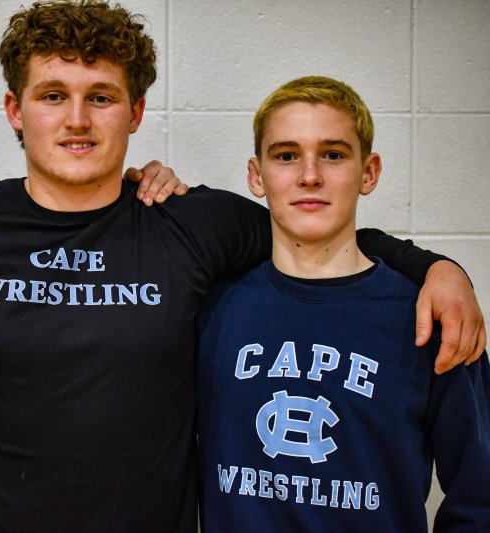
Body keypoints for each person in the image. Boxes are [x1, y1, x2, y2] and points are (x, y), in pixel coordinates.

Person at [0, 2, 484, 531]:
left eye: (101, 96)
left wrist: (436, 267)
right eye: (52, 95)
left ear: (135, 112)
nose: (76, 119)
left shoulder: (191, 222)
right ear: (14, 110)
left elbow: (311, 224)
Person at [197, 76, 490, 532]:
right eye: (286, 155)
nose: (309, 175)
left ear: (368, 173)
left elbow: (480, 495)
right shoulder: (210, 309)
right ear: (256, 175)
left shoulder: (431, 315)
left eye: (333, 155)